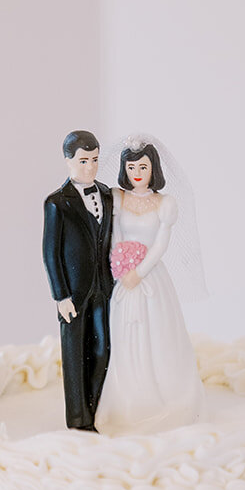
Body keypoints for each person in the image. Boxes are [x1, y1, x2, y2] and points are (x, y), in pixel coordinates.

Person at [94, 138, 204, 436]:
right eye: (131, 167)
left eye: (143, 166)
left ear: (153, 168)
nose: (137, 173)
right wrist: (121, 268)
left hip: (151, 278)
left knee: (156, 332)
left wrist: (139, 272)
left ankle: (163, 396)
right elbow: (115, 234)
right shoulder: (118, 198)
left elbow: (160, 244)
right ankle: (129, 398)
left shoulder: (165, 204)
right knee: (125, 334)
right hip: (124, 279)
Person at [42, 130, 114, 431]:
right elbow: (50, 253)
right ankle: (78, 420)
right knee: (74, 356)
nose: (90, 168)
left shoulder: (108, 195)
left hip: (104, 288)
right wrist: (61, 296)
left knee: (103, 350)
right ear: (68, 161)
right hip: (74, 292)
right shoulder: (57, 203)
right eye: (83, 161)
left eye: (95, 160)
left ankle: (97, 411)